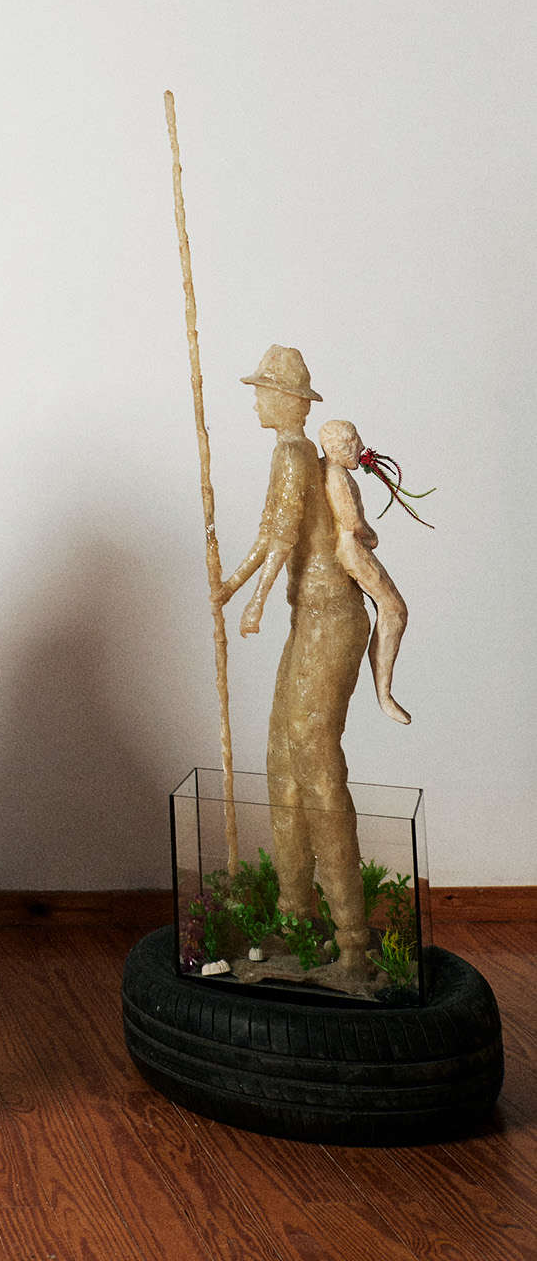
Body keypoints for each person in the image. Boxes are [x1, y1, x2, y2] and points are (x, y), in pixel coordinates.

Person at [220, 346, 373, 978]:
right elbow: (272, 532)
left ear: (287, 400)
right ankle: (294, 918)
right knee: (282, 762)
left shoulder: (292, 453)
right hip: (311, 620)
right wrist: (229, 587)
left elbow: (282, 540)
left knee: (313, 763)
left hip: (330, 619)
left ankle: (352, 941)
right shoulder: (295, 453)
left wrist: (251, 601)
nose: (255, 400)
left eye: (263, 390)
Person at [319, 419, 412, 727]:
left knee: (392, 609)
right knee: (394, 609)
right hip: (352, 550)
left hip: (350, 547)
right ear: (338, 449)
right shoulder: (337, 477)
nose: (360, 447)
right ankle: (384, 695)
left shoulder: (333, 471)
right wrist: (371, 536)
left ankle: (384, 693)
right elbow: (353, 523)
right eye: (353, 443)